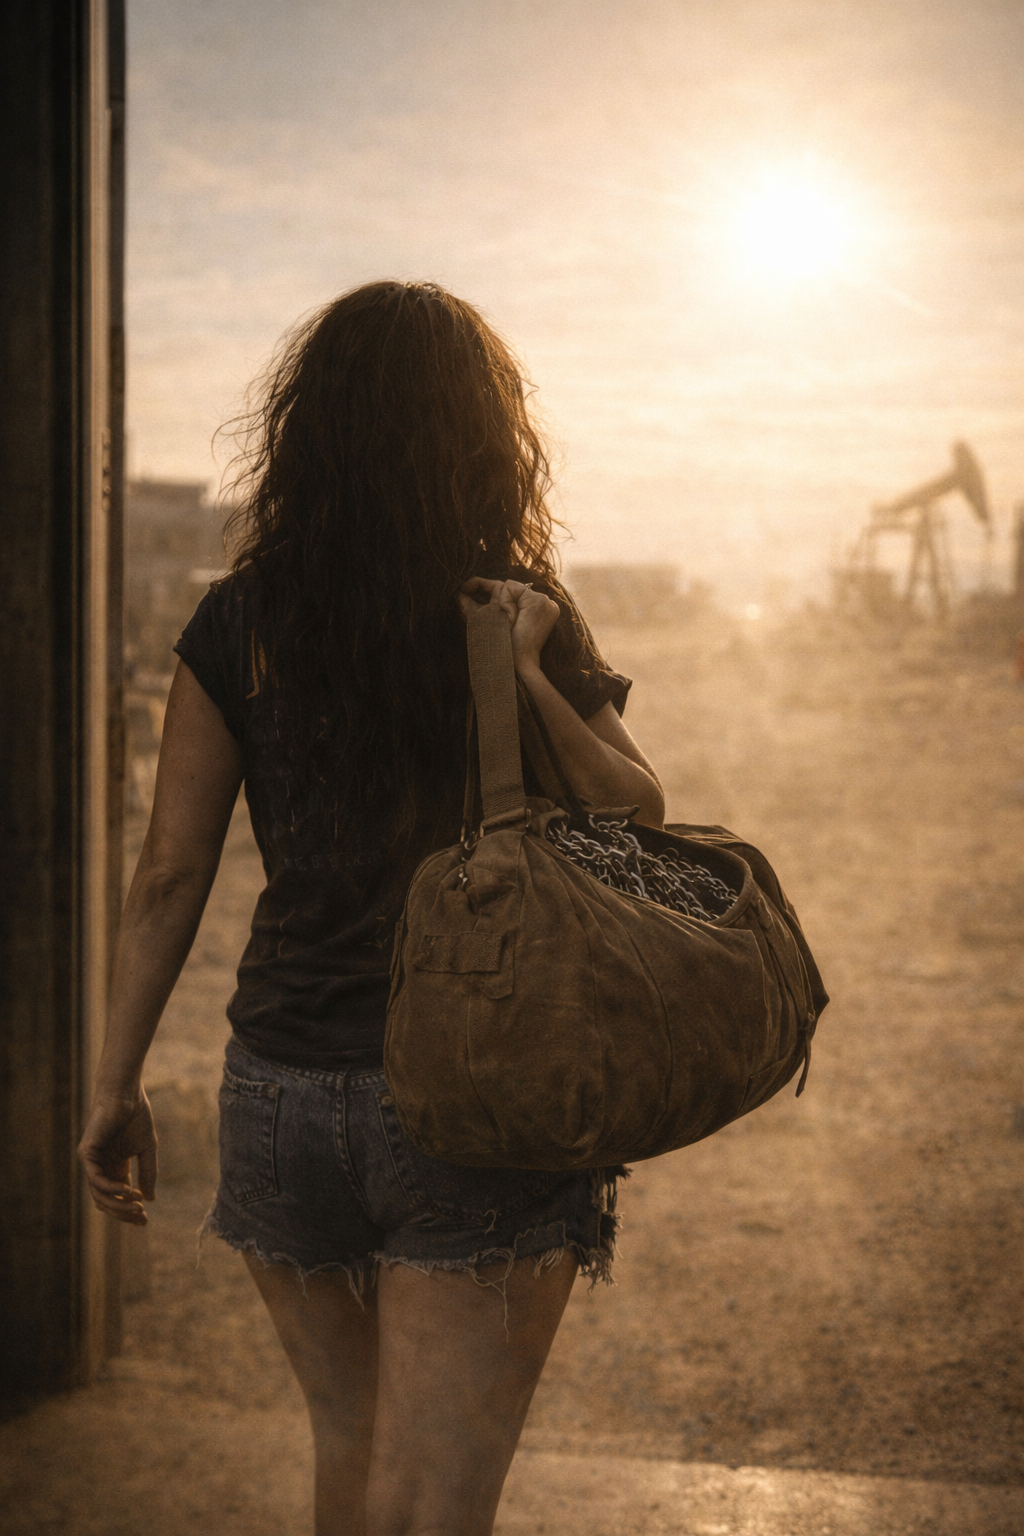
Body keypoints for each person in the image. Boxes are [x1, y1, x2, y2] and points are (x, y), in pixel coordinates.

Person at [78, 281, 665, 1536]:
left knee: (350, 1457)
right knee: (431, 1501)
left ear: (308, 429)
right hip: (478, 1091)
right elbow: (636, 808)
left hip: (280, 1094)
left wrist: (115, 1081)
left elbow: (169, 872)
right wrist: (527, 672)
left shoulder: (240, 619)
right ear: (485, 434)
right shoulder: (512, 606)